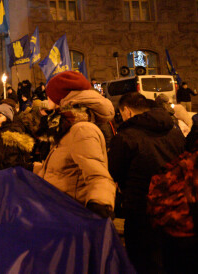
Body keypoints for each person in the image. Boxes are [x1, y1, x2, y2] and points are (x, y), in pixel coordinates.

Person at [108, 93, 187, 274]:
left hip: (140, 207)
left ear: (126, 111)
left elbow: (114, 171)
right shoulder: (173, 130)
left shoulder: (126, 136)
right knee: (171, 258)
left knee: (142, 260)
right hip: (175, 205)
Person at [34, 71, 116, 219]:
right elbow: (67, 171)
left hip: (72, 215)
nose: (46, 98)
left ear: (61, 97)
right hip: (58, 211)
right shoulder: (66, 126)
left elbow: (98, 175)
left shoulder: (82, 129)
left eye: (49, 95)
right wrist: (31, 169)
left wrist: (100, 205)